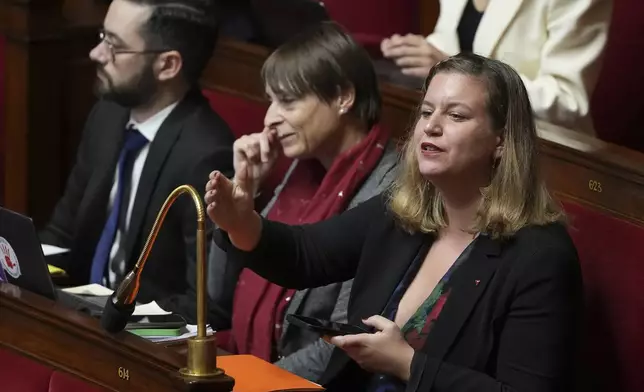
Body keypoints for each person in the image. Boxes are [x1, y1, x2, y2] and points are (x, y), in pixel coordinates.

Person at [205, 53, 583, 391]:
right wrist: (242, 224)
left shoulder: (540, 255)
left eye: (455, 115)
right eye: (426, 111)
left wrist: (408, 365)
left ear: (501, 142)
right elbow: (306, 255)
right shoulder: (402, 210)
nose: (431, 127)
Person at [206, 22, 398, 381]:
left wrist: (250, 384)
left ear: (343, 97)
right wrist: (248, 194)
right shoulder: (299, 170)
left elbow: (344, 340)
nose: (269, 119)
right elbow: (217, 293)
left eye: (288, 102)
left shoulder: (388, 189)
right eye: (271, 101)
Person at [39, 0, 234, 314]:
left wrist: (113, 317)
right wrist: (19, 266)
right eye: (103, 36)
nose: (96, 53)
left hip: (139, 339)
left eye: (114, 45)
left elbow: (204, 305)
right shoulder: (108, 115)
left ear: (168, 65)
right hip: (79, 314)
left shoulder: (207, 157)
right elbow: (63, 232)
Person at [380, 0, 612, 135]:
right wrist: (417, 51)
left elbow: (568, 100)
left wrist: (460, 72)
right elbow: (455, 42)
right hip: (460, 138)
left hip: (535, 149)